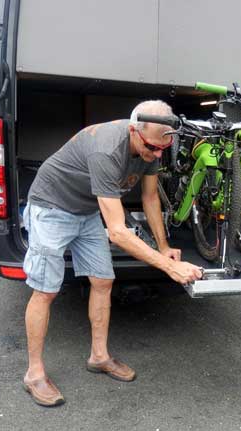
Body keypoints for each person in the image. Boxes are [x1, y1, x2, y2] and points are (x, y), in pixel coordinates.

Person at [22, 100, 203, 407]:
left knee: (103, 280)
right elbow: (118, 232)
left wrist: (163, 246)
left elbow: (149, 198)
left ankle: (99, 356)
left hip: (87, 210)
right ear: (134, 131)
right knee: (46, 290)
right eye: (152, 148)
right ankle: (34, 374)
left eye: (164, 148)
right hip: (51, 206)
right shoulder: (107, 149)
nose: (157, 154)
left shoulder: (154, 142)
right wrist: (169, 268)